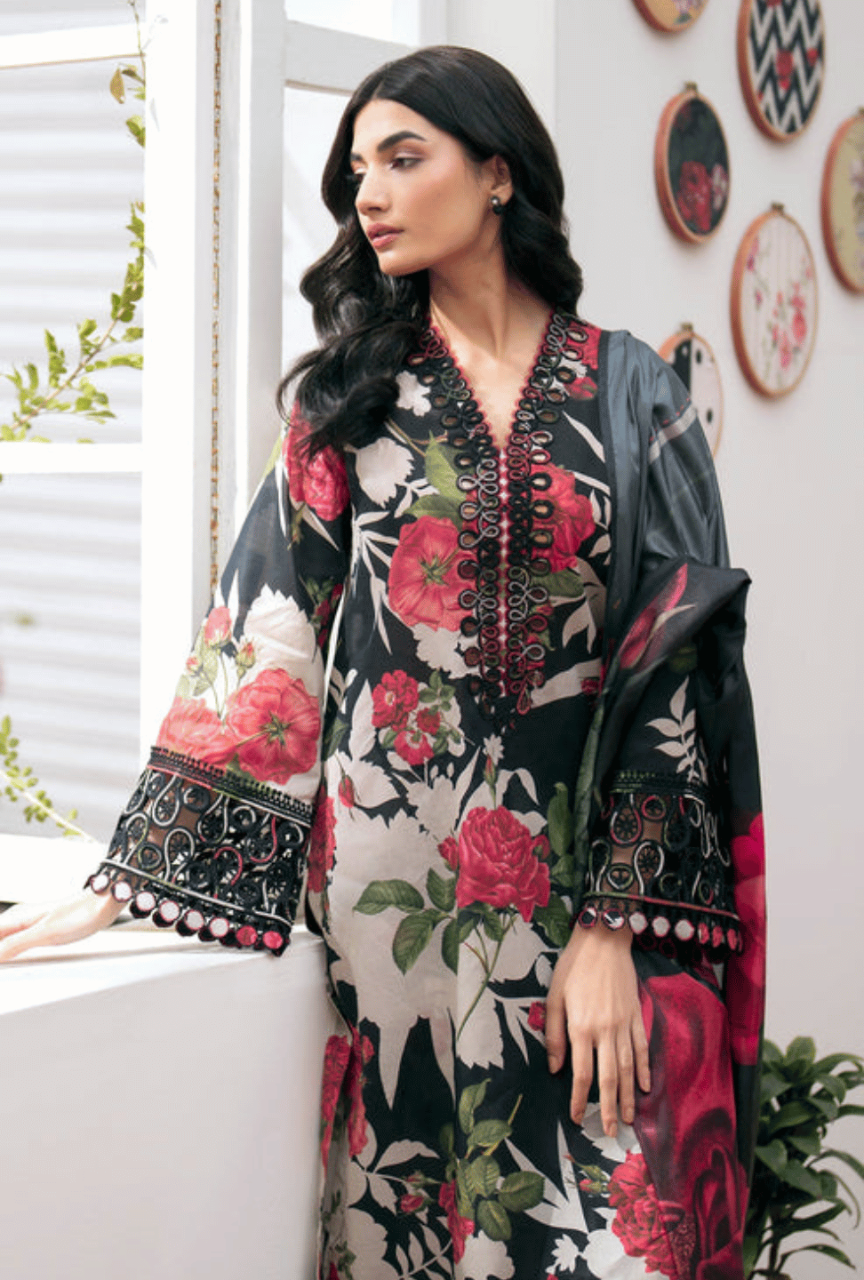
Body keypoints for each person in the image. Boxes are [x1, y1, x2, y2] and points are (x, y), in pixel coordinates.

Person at [0, 46, 765, 1280]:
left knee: (636, 1239)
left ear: (498, 173)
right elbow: (261, 640)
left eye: (405, 158)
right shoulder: (345, 407)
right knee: (415, 1230)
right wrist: (127, 879)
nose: (370, 193)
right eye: (358, 168)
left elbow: (679, 657)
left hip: (592, 906)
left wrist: (619, 923)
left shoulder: (634, 393)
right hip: (391, 922)